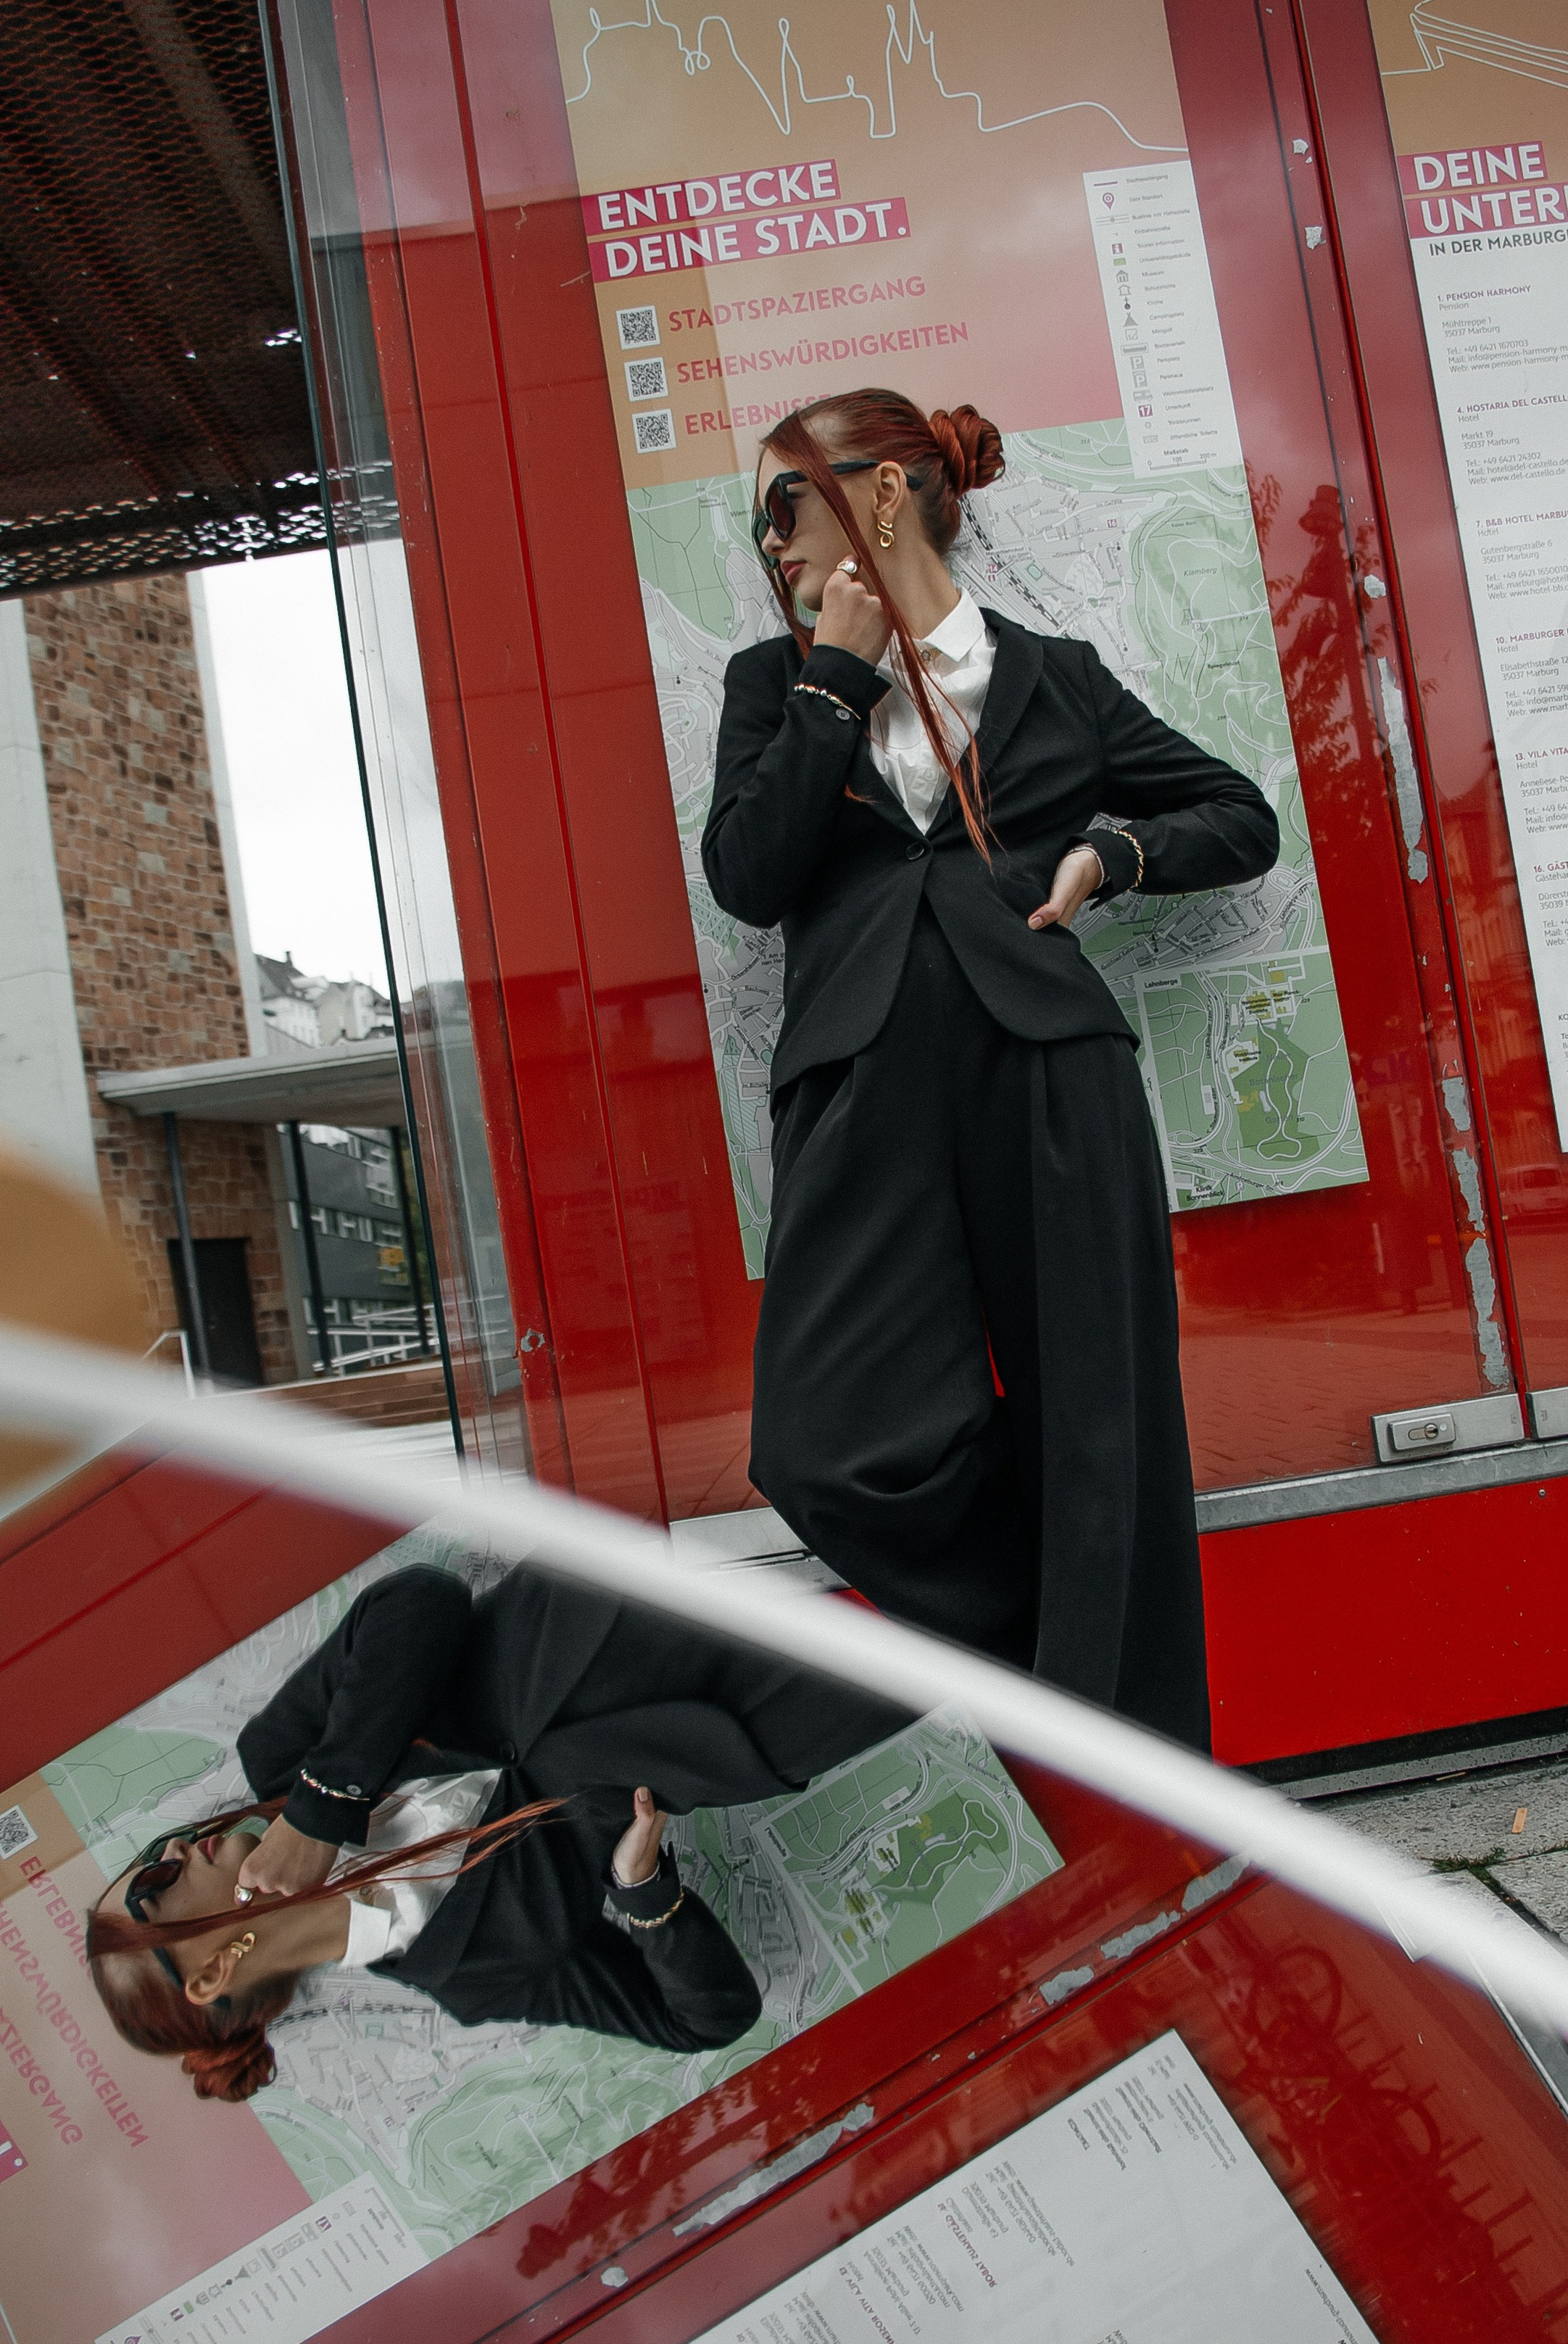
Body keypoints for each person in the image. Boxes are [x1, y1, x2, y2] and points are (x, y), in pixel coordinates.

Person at [703, 388, 1278, 1753]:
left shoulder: (1053, 675)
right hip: (858, 1084)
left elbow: (1237, 815)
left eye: (786, 507)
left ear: (883, 492)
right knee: (819, 1444)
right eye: (763, 523)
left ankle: (1130, 1784)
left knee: (1102, 1419)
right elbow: (748, 875)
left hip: (1049, 1072)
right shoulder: (769, 685)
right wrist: (835, 675)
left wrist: (1112, 859)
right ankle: (1043, 1658)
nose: (772, 545)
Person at [86, 1560, 903, 2100]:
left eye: (146, 1855)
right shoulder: (472, 1975)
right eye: (158, 1887)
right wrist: (644, 1892)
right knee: (998, 1605)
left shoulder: (285, 1761)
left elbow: (420, 1602)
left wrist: (322, 1807)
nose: (171, 1851)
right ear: (210, 1974)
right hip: (773, 1714)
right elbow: (705, 2020)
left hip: (673, 1556)